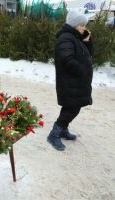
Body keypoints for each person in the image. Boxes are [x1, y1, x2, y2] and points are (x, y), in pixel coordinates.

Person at [47, 10, 94, 150]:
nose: (84, 28)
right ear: (74, 25)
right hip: (70, 82)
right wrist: (82, 70)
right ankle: (54, 134)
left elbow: (88, 54)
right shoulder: (66, 38)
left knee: (71, 107)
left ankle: (63, 130)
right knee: (72, 108)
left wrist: (87, 41)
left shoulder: (76, 37)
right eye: (81, 25)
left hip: (76, 82)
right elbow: (66, 59)